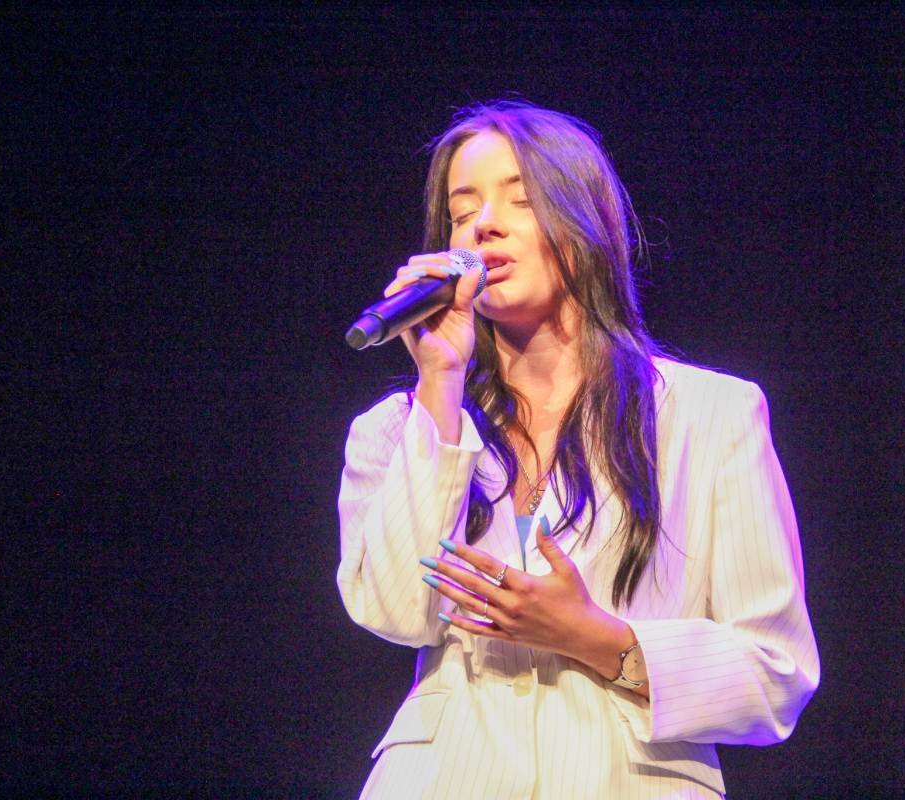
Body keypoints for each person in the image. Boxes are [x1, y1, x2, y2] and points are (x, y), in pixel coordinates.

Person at [337, 100, 819, 799]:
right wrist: (439, 379)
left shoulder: (711, 416)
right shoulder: (397, 429)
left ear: (584, 223)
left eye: (521, 199)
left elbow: (776, 673)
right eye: (462, 210)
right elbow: (395, 611)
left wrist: (596, 637)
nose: (484, 224)